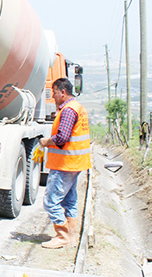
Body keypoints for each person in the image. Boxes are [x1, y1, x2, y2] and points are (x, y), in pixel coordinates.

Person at [38, 78, 91, 249]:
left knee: (50, 201)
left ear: (63, 92)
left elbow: (61, 138)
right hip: (74, 162)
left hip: (66, 163)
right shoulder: (78, 108)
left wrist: (46, 142)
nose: (52, 96)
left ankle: (62, 235)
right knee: (69, 200)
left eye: (54, 92)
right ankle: (71, 234)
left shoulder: (68, 110)